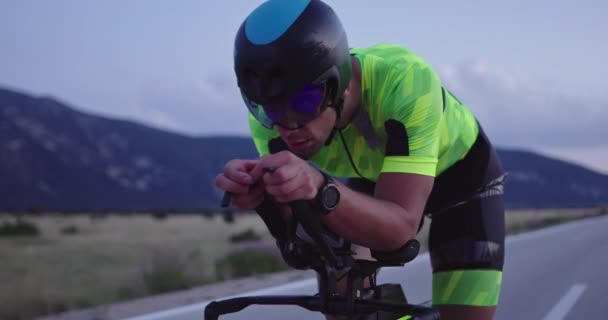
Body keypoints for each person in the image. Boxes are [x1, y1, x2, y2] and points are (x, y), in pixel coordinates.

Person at [215, 0, 506, 319]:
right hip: (374, 178)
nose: (289, 127)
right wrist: (264, 198)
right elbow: (300, 235)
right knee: (339, 285)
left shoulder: (404, 79)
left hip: (461, 180)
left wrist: (318, 185)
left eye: (303, 102)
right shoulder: (266, 120)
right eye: (269, 109)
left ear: (337, 82)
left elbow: (399, 231)